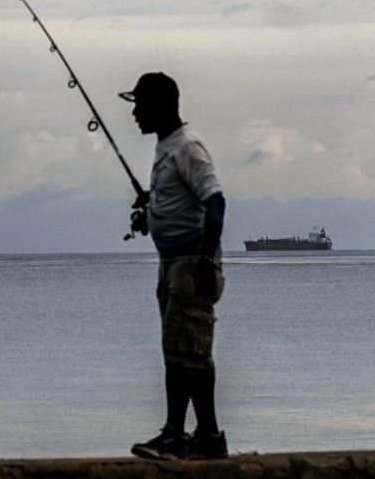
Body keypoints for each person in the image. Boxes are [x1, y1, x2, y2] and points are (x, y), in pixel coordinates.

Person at [119, 72, 229, 459]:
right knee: (180, 351)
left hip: (189, 264)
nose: (134, 113)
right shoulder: (167, 148)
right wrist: (150, 213)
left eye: (139, 104)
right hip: (172, 263)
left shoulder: (187, 148)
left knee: (191, 352)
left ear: (159, 106)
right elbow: (181, 205)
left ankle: (195, 436)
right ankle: (186, 435)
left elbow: (215, 202)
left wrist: (204, 258)